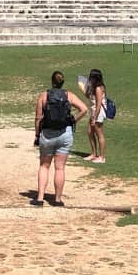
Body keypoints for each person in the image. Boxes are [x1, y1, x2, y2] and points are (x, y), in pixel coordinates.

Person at [32, 71, 87, 206]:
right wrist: (73, 120)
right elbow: (84, 109)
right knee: (60, 168)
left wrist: (37, 135)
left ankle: (40, 198)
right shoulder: (69, 95)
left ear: (52, 82)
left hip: (47, 134)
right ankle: (57, 199)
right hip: (64, 134)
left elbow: (38, 118)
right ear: (62, 83)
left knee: (44, 166)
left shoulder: (44, 96)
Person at [85, 68, 108, 164]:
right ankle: (94, 154)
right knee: (90, 132)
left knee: (99, 134)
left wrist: (95, 117)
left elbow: (98, 104)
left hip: (98, 113)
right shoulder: (94, 87)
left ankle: (102, 157)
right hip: (94, 112)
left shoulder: (99, 88)